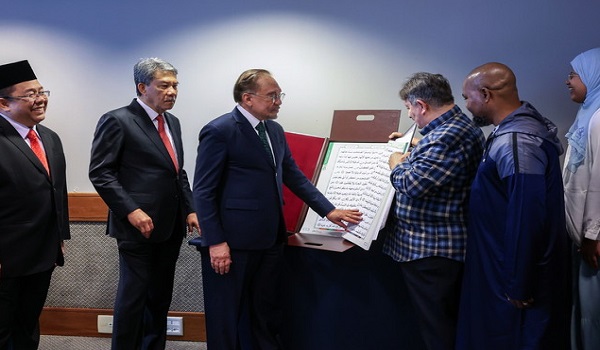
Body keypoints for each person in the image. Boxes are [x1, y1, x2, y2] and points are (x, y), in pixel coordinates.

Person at [192, 68, 362, 350]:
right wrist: (216, 242)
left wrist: (328, 210)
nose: (279, 101)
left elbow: (293, 175)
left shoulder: (274, 130)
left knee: (266, 312)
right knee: (226, 317)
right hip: (232, 243)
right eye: (272, 95)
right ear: (248, 98)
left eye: (279, 95)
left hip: (270, 238)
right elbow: (204, 190)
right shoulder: (219, 130)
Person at [456, 62, 570, 349]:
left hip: (511, 274)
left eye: (467, 97)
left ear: (485, 94)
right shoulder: (513, 131)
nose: (467, 105)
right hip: (500, 263)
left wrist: (520, 281)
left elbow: (527, 213)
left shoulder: (515, 141)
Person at [89, 57, 199, 350]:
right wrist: (131, 210)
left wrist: (190, 208)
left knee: (160, 297)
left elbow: (177, 171)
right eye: (164, 85)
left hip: (171, 224)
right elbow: (101, 173)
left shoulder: (172, 122)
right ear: (142, 86)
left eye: (175, 85)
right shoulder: (117, 119)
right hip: (137, 227)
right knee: (133, 297)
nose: (172, 91)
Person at [382, 72, 485, 350]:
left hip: (431, 251)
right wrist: (413, 146)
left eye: (409, 108)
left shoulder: (446, 137)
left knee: (437, 328)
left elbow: (411, 184)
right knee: (436, 323)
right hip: (435, 249)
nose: (410, 116)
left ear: (422, 105)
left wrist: (395, 161)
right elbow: (439, 160)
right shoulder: (454, 127)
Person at [0, 60, 70, 350]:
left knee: (28, 325)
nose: (40, 99)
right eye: (30, 94)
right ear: (4, 103)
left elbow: (58, 192)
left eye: (42, 92)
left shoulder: (49, 138)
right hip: (6, 257)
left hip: (42, 253)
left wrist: (60, 237)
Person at [564, 47, 600, 350]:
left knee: (594, 317)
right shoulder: (588, 112)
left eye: (573, 74)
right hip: (584, 242)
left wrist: (592, 235)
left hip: (595, 243)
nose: (567, 81)